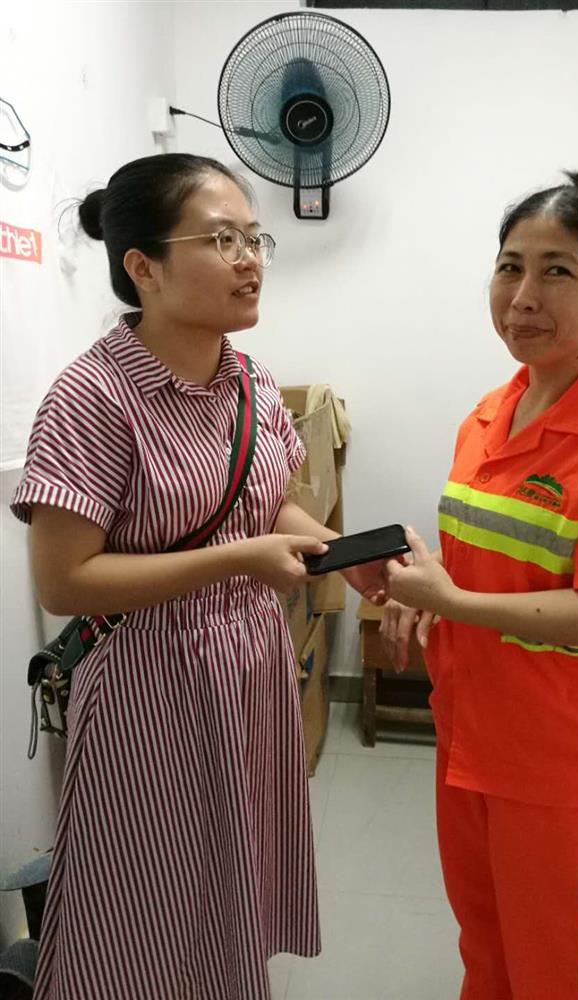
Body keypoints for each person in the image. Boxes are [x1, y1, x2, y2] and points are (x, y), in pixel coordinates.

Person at [10, 153, 385, 1000]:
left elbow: (268, 507)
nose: (250, 260)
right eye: (222, 240)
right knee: (143, 909)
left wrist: (343, 552)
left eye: (255, 238)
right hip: (150, 685)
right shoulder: (93, 398)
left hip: (249, 671)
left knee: (228, 885)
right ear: (143, 267)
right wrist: (238, 561)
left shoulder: (249, 382)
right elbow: (65, 582)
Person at [381, 171, 578, 1000]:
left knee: (558, 975)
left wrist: (452, 603)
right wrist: (423, 593)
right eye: (509, 266)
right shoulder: (492, 412)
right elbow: (491, 564)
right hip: (471, 736)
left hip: (565, 763)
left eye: (557, 270)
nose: (523, 296)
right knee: (487, 950)